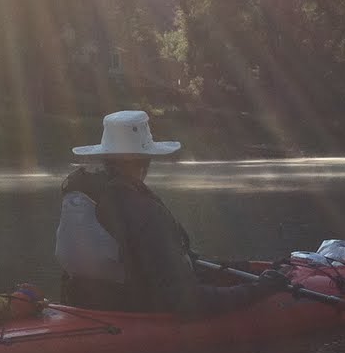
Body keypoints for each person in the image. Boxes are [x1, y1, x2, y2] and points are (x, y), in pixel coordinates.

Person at [54, 110, 279, 315]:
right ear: (145, 160)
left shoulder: (85, 195)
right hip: (134, 314)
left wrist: (245, 270)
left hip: (82, 306)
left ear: (105, 158)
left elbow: (172, 266)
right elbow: (186, 300)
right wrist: (260, 291)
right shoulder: (145, 212)